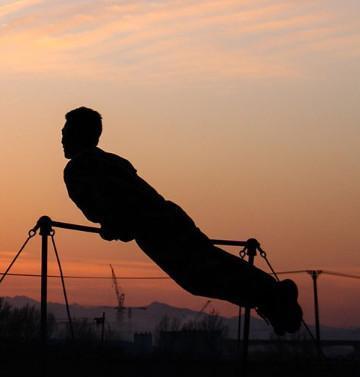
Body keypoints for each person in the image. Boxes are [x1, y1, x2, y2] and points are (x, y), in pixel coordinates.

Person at [62, 106, 302, 335]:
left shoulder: (77, 170)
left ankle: (270, 296)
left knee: (199, 278)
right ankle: (270, 294)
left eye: (66, 131)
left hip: (153, 229)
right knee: (210, 262)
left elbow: (109, 211)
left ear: (78, 134)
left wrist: (111, 228)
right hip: (170, 216)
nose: (62, 137)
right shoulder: (113, 160)